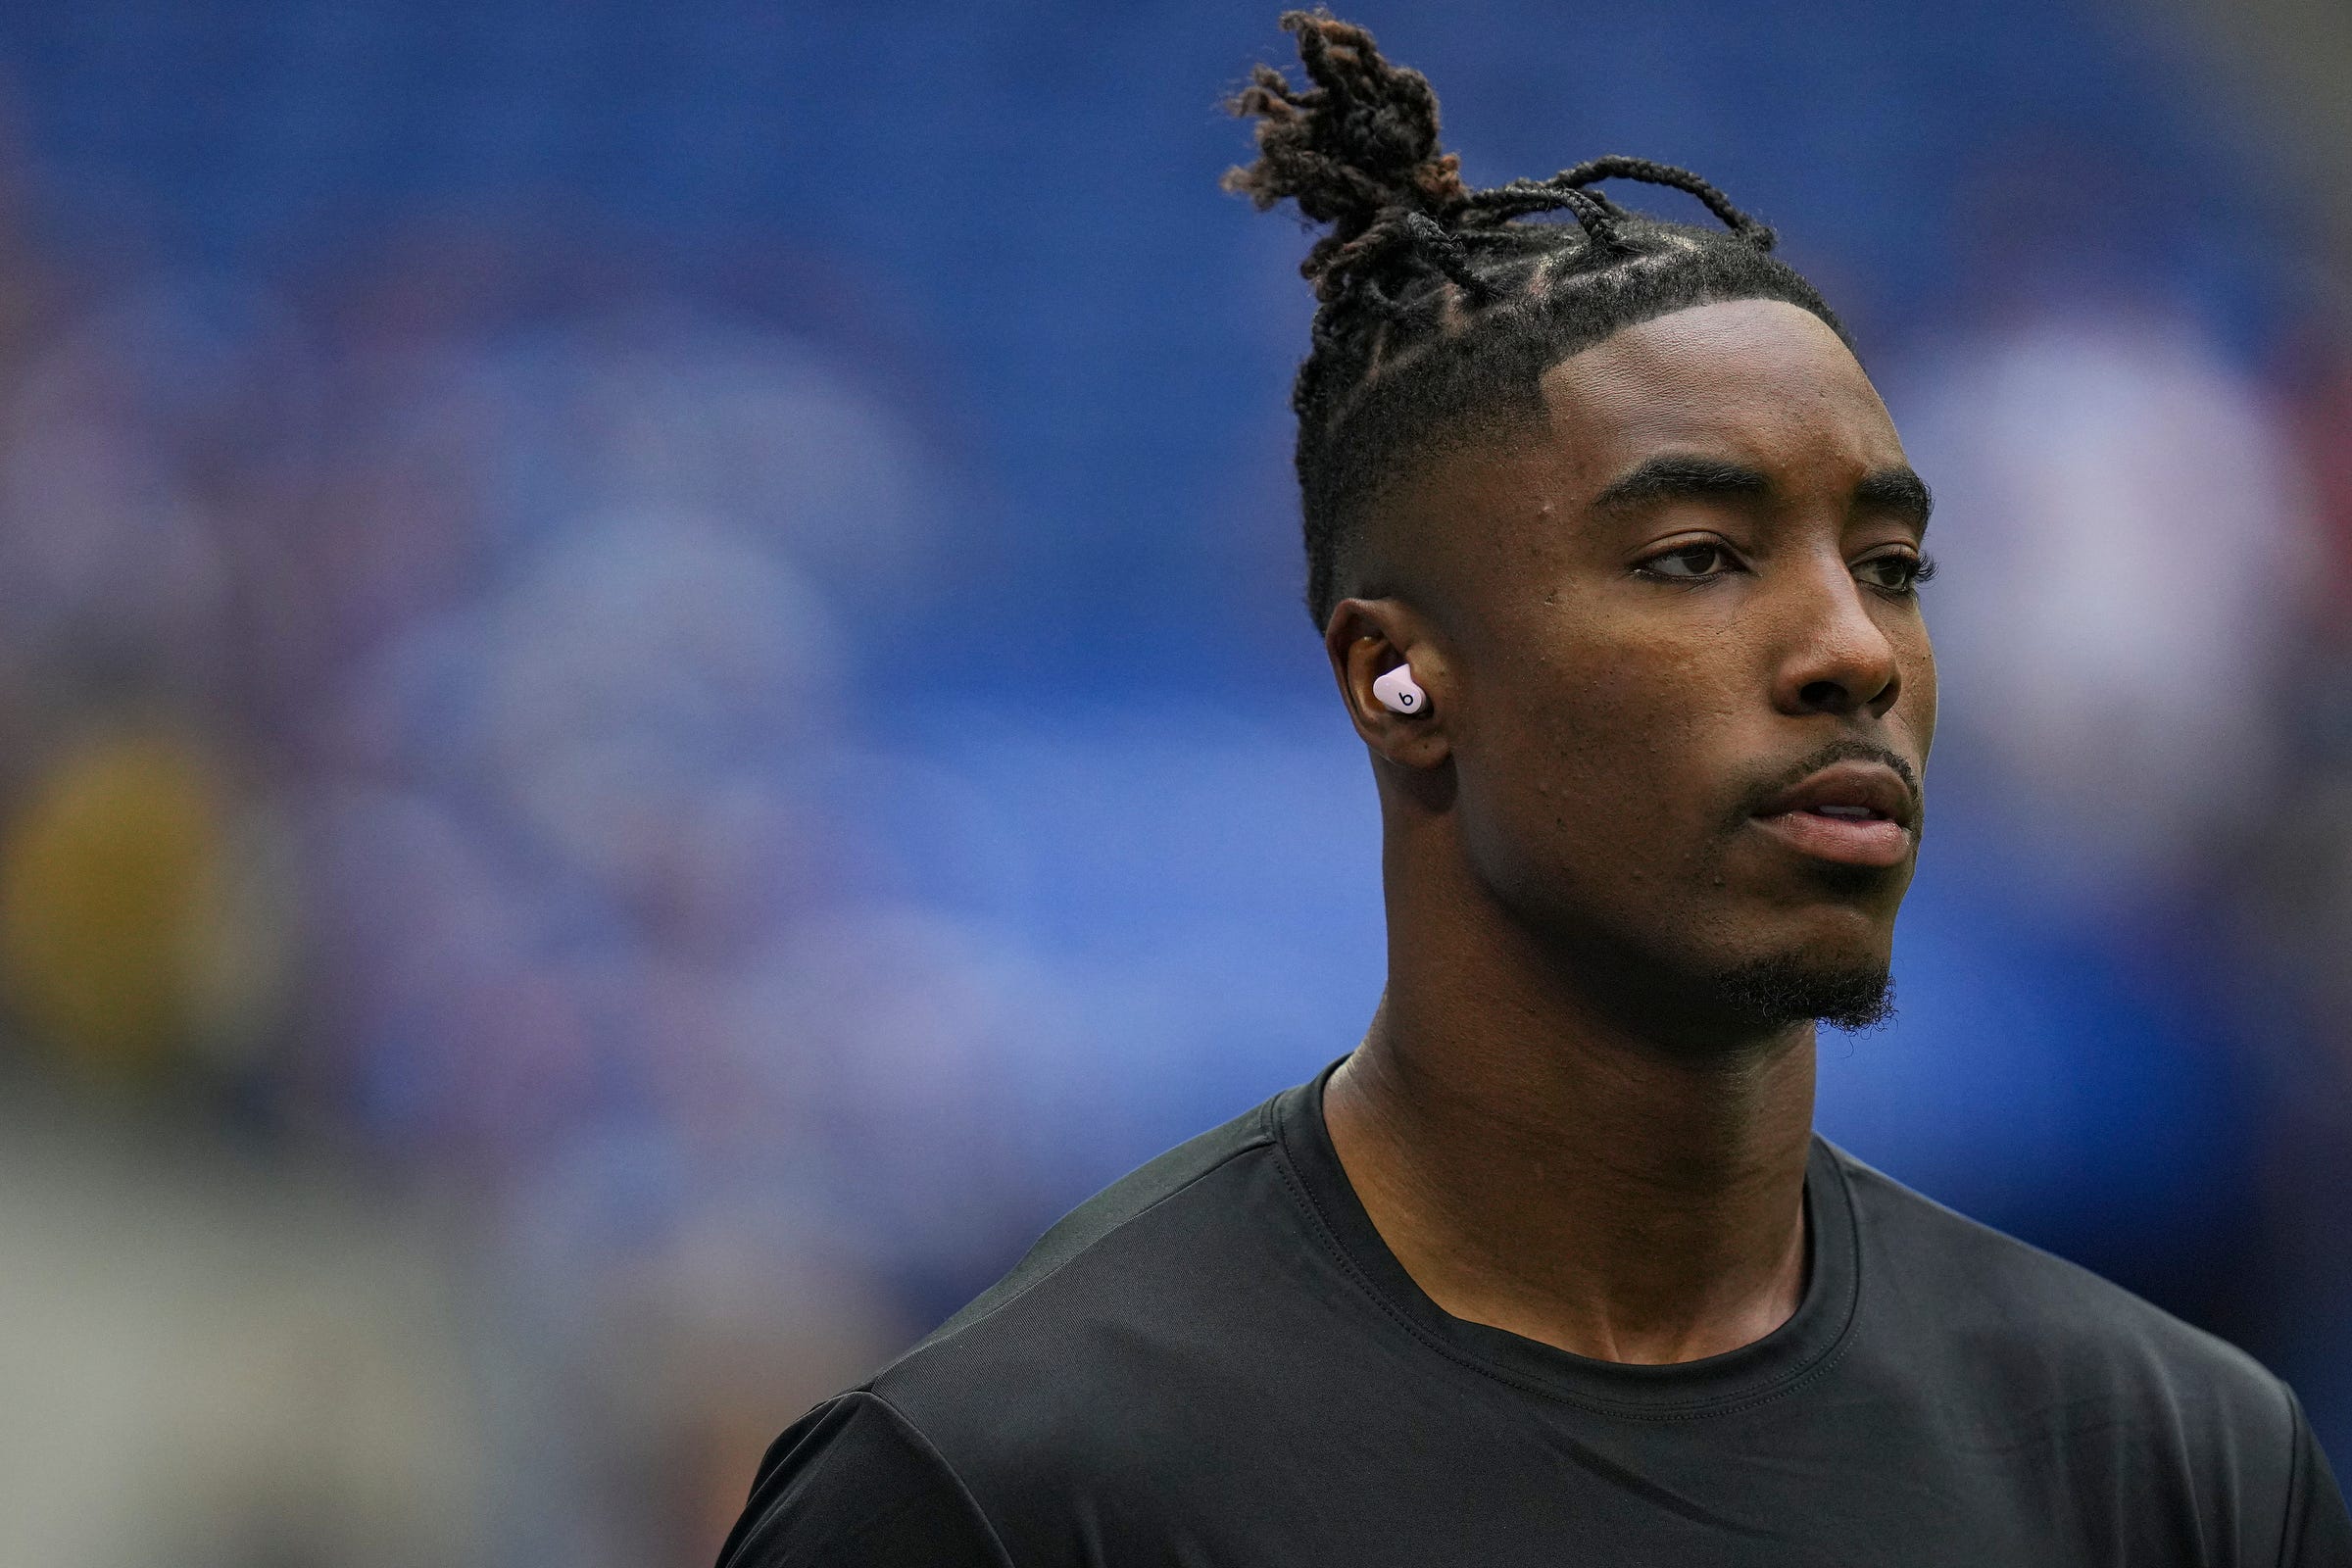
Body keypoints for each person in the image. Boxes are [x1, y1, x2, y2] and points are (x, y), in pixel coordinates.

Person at [714, 12, 2352, 1563]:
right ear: (1399, 679)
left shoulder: (2172, 1459)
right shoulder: (1004, 1484)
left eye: (1892, 564)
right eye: (1698, 556)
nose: (1856, 650)